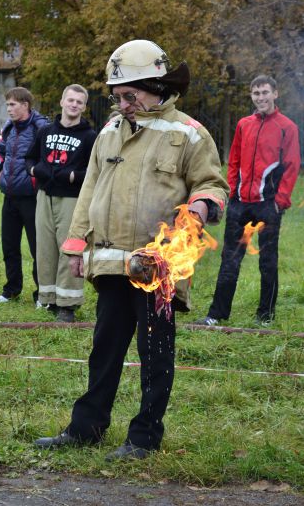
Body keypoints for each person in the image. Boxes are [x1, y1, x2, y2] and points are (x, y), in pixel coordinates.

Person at [33, 40, 229, 460]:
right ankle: (86, 428)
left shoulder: (189, 134)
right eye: (117, 96)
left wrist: (199, 206)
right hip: (110, 262)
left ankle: (143, 437)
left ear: (155, 86)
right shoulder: (109, 132)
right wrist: (75, 242)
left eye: (129, 95)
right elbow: (90, 188)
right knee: (104, 348)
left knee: (155, 354)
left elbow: (213, 185)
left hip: (158, 266)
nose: (121, 104)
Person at [195, 75, 301, 327]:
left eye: (265, 92)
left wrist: (280, 201)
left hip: (268, 204)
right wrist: (232, 192)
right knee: (229, 260)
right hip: (240, 203)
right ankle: (216, 315)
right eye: (256, 93)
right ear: (251, 96)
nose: (261, 97)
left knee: (268, 261)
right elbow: (233, 160)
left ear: (275, 94)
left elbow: (292, 166)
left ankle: (265, 316)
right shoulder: (244, 124)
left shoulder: (288, 127)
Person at [26, 84, 96, 322]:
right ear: (62, 101)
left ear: (84, 107)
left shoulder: (89, 137)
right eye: (71, 100)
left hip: (72, 200)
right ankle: (49, 299)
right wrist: (36, 170)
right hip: (44, 197)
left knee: (70, 250)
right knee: (45, 249)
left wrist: (75, 176)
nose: (74, 104)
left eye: (79, 101)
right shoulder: (45, 131)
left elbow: (96, 171)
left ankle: (68, 306)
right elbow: (29, 158)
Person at [0, 87, 48, 304]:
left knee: (38, 248)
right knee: (9, 246)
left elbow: (47, 158)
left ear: (25, 105)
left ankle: (41, 295)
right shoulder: (8, 127)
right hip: (10, 197)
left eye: (13, 104)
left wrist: (36, 180)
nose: (9, 109)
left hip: (33, 198)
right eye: (7, 105)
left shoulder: (41, 127)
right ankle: (11, 290)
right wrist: (0, 175)